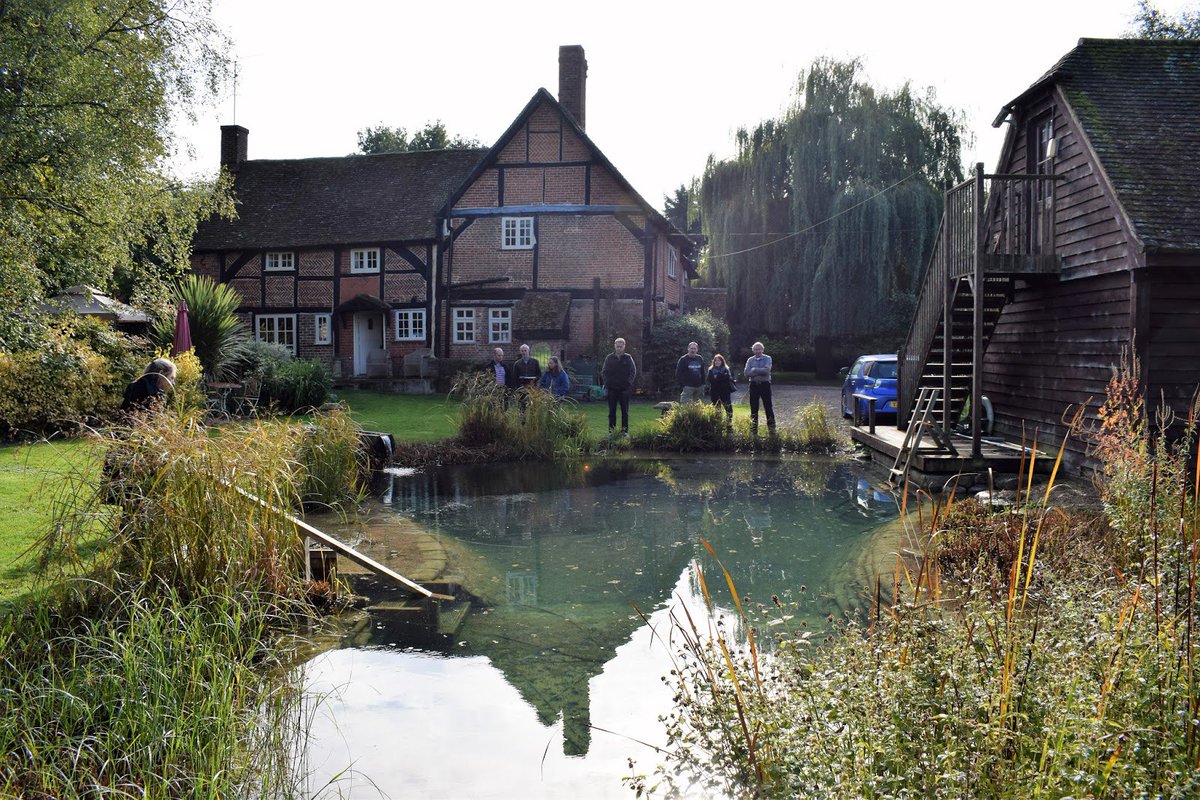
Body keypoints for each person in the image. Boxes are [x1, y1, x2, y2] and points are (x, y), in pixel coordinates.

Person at [601, 337, 637, 434]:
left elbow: (633, 372)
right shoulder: (609, 358)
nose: (619, 348)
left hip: (624, 389)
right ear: (615, 346)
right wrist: (606, 383)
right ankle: (611, 432)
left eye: (621, 346)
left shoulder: (628, 358)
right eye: (617, 346)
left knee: (625, 412)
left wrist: (628, 383)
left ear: (624, 346)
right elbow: (604, 372)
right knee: (611, 412)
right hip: (612, 389)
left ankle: (624, 432)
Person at [743, 341, 775, 433]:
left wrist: (754, 370)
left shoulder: (768, 358)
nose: (758, 351)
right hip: (753, 386)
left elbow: (767, 371)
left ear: (762, 349)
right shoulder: (750, 360)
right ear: (753, 350)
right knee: (754, 408)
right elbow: (746, 373)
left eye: (759, 349)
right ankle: (753, 430)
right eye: (756, 349)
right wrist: (759, 371)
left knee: (768, 407)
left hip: (765, 385)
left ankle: (772, 430)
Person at [510, 343, 542, 413]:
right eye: (522, 351)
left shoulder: (535, 362)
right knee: (522, 406)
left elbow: (539, 374)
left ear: (528, 351)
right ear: (520, 352)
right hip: (522, 388)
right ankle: (522, 422)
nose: (524, 352)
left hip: (532, 387)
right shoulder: (517, 364)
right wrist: (516, 388)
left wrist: (534, 379)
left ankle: (532, 421)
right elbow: (514, 377)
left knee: (532, 406)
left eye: (525, 350)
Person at [707, 353, 736, 424]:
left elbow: (728, 379)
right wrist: (720, 377)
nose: (717, 362)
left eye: (719, 360)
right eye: (715, 360)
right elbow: (710, 380)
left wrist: (717, 377)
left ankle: (729, 424)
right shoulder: (710, 370)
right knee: (717, 409)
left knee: (728, 408)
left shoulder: (726, 369)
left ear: (722, 361)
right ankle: (718, 424)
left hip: (725, 392)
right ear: (713, 362)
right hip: (714, 392)